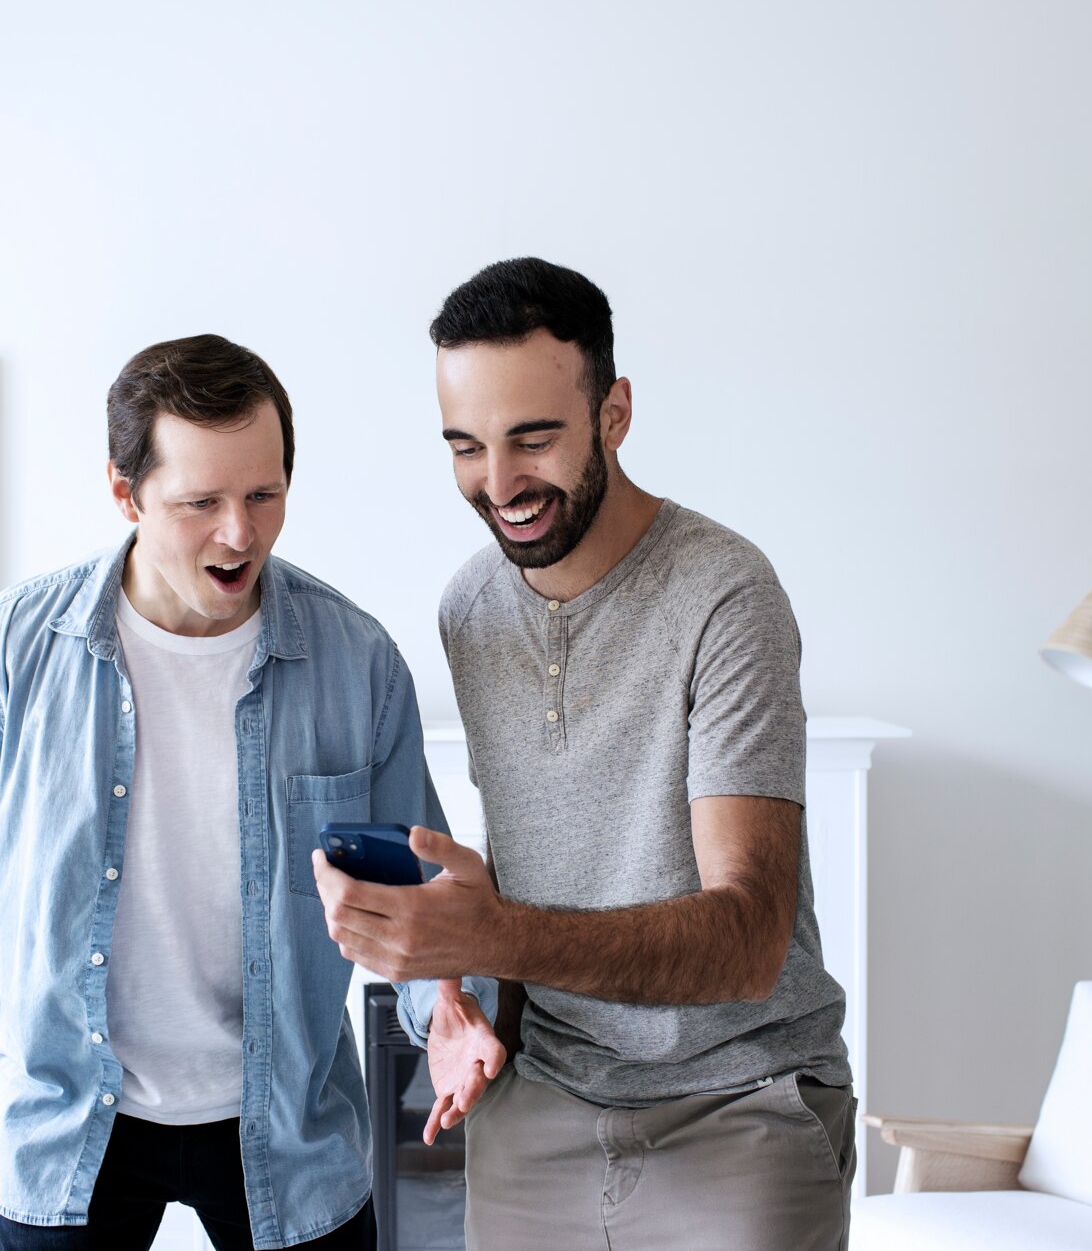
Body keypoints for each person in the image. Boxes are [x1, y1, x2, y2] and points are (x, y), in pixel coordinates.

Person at [0, 335, 495, 1250]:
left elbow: (411, 886)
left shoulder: (355, 662)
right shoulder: (18, 646)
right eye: (200, 502)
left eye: (263, 495)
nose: (239, 533)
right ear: (125, 493)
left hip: (287, 1122)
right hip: (73, 1116)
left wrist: (444, 1006)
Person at [313, 259, 854, 1251]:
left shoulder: (726, 595)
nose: (500, 483)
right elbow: (538, 875)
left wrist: (485, 937)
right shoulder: (469, 607)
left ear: (614, 412)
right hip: (541, 1105)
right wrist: (480, 1017)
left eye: (534, 438)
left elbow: (747, 938)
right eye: (466, 446)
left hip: (739, 1106)